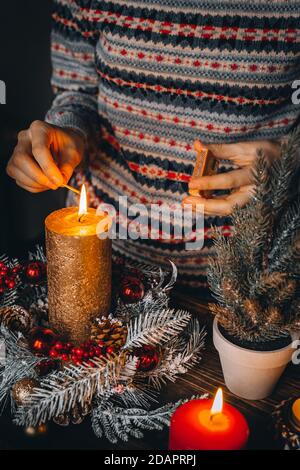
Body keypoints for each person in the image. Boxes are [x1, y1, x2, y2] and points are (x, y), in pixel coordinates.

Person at [6, 0, 300, 292]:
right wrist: (70, 132)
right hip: (113, 269)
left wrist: (289, 157)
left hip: (259, 287)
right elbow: (77, 91)